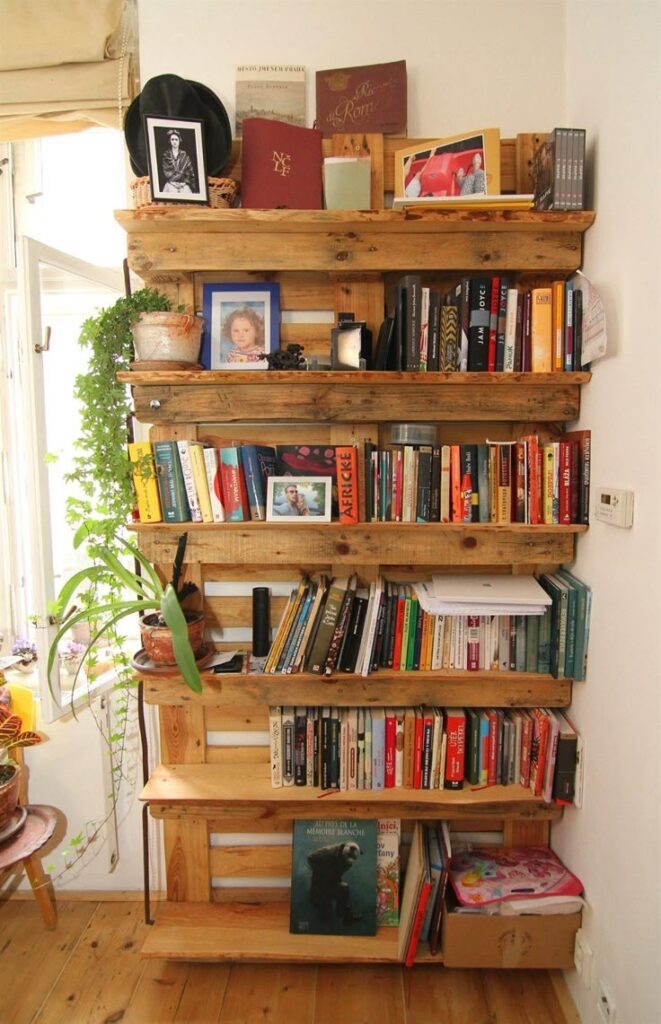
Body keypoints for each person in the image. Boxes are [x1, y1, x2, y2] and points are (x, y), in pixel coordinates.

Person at [306, 841, 364, 924]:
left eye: (353, 858)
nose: (350, 860)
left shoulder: (350, 858)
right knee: (325, 920)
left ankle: (346, 917)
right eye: (349, 857)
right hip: (319, 887)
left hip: (331, 885)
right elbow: (310, 859)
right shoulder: (328, 851)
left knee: (344, 888)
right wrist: (325, 872)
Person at [162, 129, 196, 194]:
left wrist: (184, 179)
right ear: (169, 141)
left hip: (184, 185)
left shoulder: (184, 155)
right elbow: (167, 172)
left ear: (179, 140)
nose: (174, 142)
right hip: (171, 185)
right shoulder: (166, 154)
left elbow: (190, 171)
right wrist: (180, 174)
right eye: (172, 139)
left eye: (176, 139)